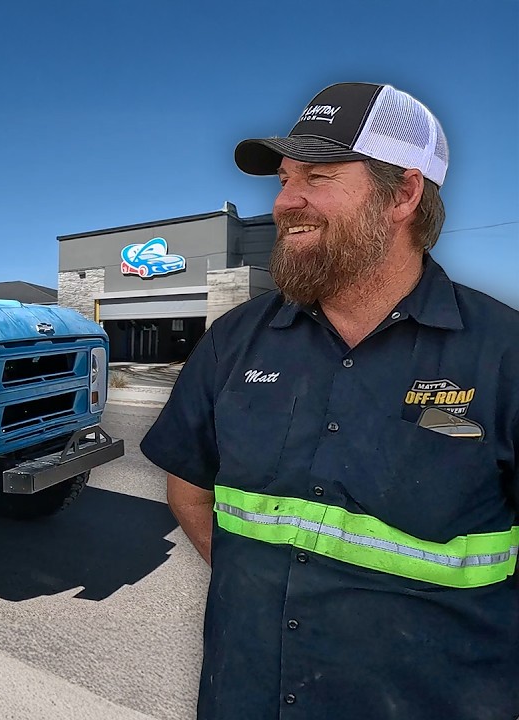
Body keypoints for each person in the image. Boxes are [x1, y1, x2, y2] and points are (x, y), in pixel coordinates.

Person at [140, 82, 519, 719]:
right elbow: (190, 488)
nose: (286, 202)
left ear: (403, 193)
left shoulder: (503, 355)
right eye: (285, 179)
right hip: (245, 697)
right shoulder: (236, 338)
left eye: (318, 176)